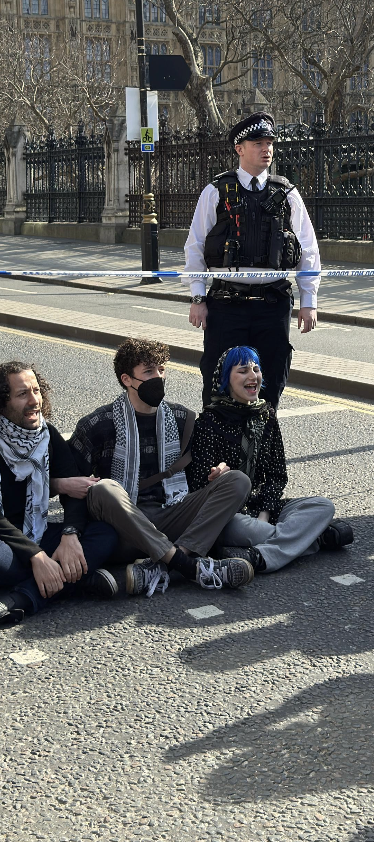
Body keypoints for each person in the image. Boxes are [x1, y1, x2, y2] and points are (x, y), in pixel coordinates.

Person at [0, 361, 120, 636]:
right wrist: (36, 556)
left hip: (35, 533)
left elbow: (75, 492)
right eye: (23, 394)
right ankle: (81, 580)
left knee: (105, 533)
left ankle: (16, 600)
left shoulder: (47, 435)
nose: (35, 400)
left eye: (36, 391)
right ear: (1, 402)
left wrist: (70, 534)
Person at [69, 337, 256, 596]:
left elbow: (198, 479)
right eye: (149, 371)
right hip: (122, 528)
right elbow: (70, 485)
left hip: (170, 517)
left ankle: (168, 562)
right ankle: (189, 568)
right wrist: (70, 534)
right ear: (127, 380)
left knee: (238, 480)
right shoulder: (98, 424)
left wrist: (218, 472)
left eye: (161, 369)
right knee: (104, 490)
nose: (158, 377)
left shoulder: (183, 419)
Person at [185, 111, 321, 408]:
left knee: (270, 381)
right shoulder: (216, 191)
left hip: (272, 305)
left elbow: (308, 250)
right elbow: (194, 246)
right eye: (258, 142)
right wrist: (197, 298)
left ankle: (263, 448)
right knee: (219, 380)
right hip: (226, 305)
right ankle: (217, 447)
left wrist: (309, 301)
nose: (266, 148)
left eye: (270, 142)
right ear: (239, 149)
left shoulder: (286, 193)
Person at [187, 345, 353, 574]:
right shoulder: (209, 422)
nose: (252, 375)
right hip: (228, 515)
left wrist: (264, 514)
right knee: (243, 527)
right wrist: (216, 478)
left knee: (323, 506)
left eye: (256, 369)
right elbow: (196, 484)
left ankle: (259, 554)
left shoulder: (266, 415)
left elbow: (277, 475)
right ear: (226, 379)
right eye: (243, 371)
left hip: (264, 508)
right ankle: (313, 538)